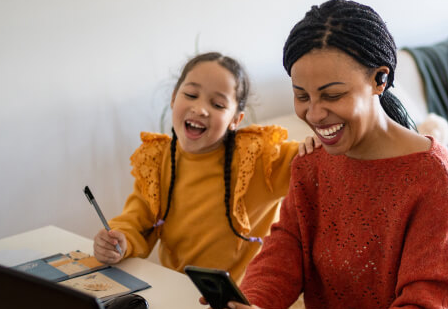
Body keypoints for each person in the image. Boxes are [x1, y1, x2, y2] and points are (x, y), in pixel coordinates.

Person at [202, 0, 448, 309]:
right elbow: (286, 250)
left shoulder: (431, 174)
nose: (314, 114)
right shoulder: (312, 162)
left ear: (379, 80)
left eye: (332, 95)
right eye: (302, 96)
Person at [93, 52, 314, 281]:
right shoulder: (158, 159)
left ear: (235, 120)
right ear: (173, 98)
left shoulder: (258, 157)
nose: (200, 109)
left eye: (217, 104)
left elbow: (313, 160)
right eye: (191, 94)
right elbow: (136, 221)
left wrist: (316, 143)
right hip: (178, 291)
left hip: (242, 300)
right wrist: (118, 240)